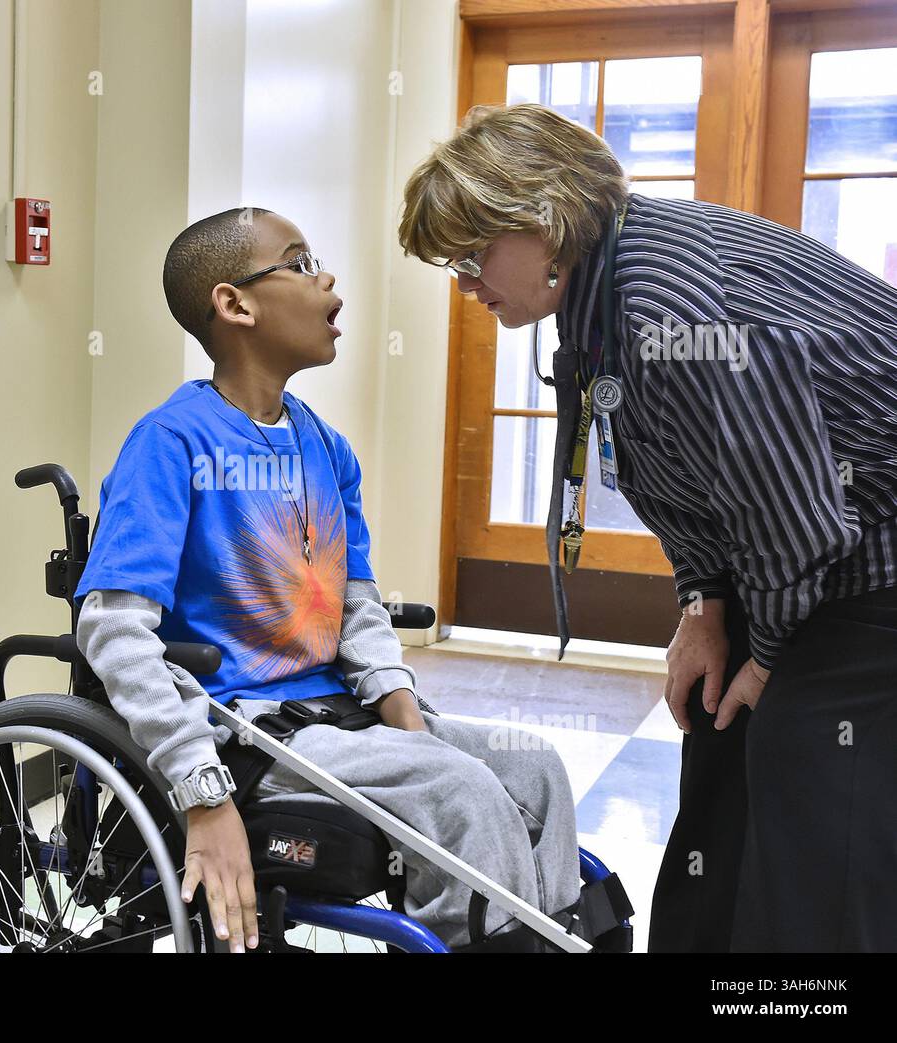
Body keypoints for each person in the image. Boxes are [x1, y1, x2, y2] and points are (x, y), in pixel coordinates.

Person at [398, 102, 897, 952]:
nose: (467, 283)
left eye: (474, 255)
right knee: (719, 769)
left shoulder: (671, 306)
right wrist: (702, 606)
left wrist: (768, 655)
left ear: (545, 218)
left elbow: (797, 515)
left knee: (813, 805)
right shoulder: (600, 288)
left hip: (867, 562)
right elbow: (685, 476)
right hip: (791, 551)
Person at [72, 207, 583, 953]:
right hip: (245, 732)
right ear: (235, 303)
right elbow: (113, 629)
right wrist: (201, 790)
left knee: (535, 766)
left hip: (339, 713)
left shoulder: (325, 446)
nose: (329, 277)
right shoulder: (170, 442)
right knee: (463, 793)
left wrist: (404, 708)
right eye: (302, 261)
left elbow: (356, 601)